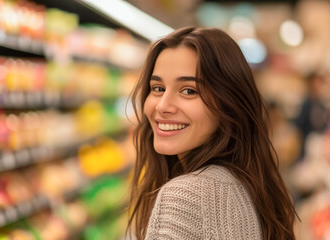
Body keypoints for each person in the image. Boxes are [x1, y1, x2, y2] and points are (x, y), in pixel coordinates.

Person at [127, 26, 297, 240]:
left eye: (189, 91)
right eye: (158, 88)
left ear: (228, 104)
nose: (162, 106)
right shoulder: (249, 186)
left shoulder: (184, 196)